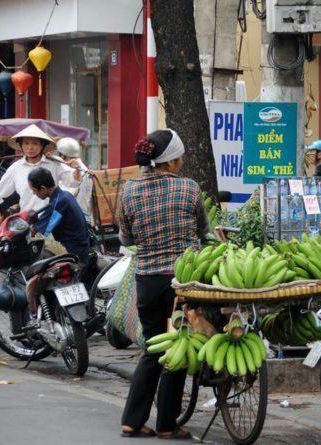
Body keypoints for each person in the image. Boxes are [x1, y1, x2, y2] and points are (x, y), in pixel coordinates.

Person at [119, 128, 209, 440]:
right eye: (180, 157)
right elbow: (203, 229)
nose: (182, 161)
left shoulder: (128, 191)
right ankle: (167, 424)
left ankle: (132, 420)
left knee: (152, 349)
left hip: (146, 280)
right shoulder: (188, 189)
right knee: (178, 348)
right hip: (181, 283)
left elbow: (126, 238)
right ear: (170, 162)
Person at [0, 124, 82, 228]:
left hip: (51, 221)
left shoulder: (54, 163)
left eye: (35, 143)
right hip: (27, 222)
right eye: (26, 143)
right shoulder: (16, 167)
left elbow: (72, 181)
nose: (30, 147)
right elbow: (1, 189)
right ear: (21, 145)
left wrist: (77, 168)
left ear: (42, 145)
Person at [28, 167, 91, 263]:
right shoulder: (65, 195)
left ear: (43, 188)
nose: (33, 193)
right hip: (82, 247)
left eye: (34, 190)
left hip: (73, 250)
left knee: (35, 242)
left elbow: (35, 231)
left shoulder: (58, 203)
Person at [55, 137, 94, 224]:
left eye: (59, 154)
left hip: (76, 219)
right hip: (79, 217)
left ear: (63, 155)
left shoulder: (76, 170)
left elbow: (65, 197)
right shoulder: (80, 168)